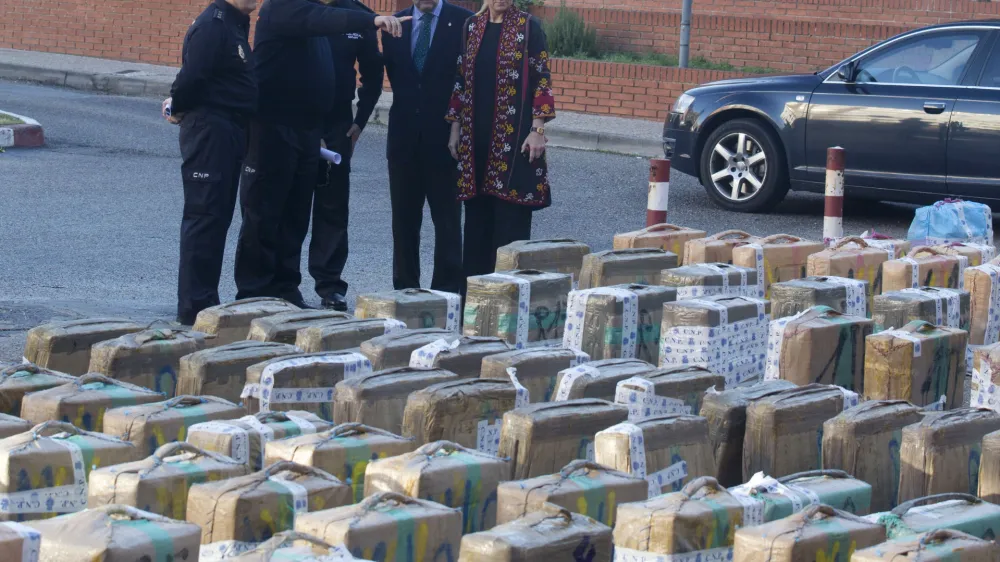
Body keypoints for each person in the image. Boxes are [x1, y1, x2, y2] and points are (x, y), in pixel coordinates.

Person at [234, 0, 407, 307]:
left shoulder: (330, 15)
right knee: (265, 211)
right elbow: (321, 18)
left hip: (312, 129)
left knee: (299, 213)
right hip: (273, 127)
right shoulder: (284, 8)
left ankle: (288, 287)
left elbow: (358, 72)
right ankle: (254, 292)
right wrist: (371, 21)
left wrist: (347, 123)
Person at [162, 0, 258, 326]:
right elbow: (191, 78)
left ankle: (206, 300)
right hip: (209, 132)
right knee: (204, 218)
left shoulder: (233, 23)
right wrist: (176, 106)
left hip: (229, 131)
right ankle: (193, 308)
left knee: (217, 219)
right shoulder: (213, 25)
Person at [446, 0, 555, 278]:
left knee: (510, 227)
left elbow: (542, 78)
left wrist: (538, 129)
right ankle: (473, 297)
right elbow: (461, 78)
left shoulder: (528, 27)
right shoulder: (472, 26)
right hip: (475, 142)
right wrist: (455, 128)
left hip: (515, 141)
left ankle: (508, 294)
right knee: (476, 227)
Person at [382, 0, 474, 294]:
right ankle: (405, 290)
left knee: (447, 221)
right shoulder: (395, 24)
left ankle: (446, 292)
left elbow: (469, 79)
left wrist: (460, 125)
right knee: (404, 222)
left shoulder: (465, 22)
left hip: (446, 139)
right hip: (403, 139)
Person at [311, 0, 385, 311]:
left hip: (338, 127)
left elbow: (373, 76)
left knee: (333, 208)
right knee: (288, 205)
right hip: (298, 121)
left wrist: (359, 122)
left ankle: (329, 285)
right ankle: (281, 285)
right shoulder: (298, 8)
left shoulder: (360, 17)